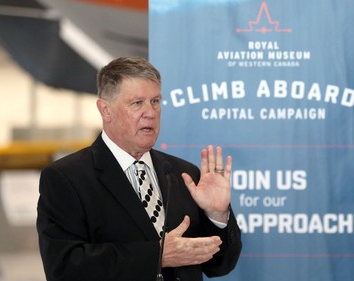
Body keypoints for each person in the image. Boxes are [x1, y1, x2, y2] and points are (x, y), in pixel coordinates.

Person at [37, 56, 242, 281]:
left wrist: (217, 216)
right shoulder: (66, 178)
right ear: (105, 110)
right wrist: (159, 255)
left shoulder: (184, 174)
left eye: (155, 101)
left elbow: (219, 267)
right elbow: (64, 268)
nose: (151, 112)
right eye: (137, 103)